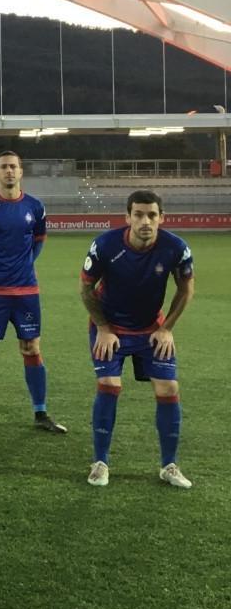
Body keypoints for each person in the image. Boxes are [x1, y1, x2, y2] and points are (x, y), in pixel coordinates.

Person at [80, 190, 195, 488]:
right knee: (108, 385)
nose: (146, 221)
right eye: (139, 214)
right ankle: (100, 462)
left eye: (152, 215)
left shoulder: (176, 248)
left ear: (161, 218)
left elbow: (185, 290)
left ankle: (169, 465)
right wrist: (104, 328)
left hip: (151, 329)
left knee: (169, 386)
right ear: (128, 217)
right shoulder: (104, 245)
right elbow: (87, 289)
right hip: (111, 328)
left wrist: (166, 328)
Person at [0, 151, 65, 434]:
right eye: (3, 167)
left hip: (26, 291)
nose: (9, 171)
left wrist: (25, 265)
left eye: (13, 167)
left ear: (21, 172)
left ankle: (41, 413)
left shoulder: (35, 207)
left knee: (31, 348)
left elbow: (39, 240)